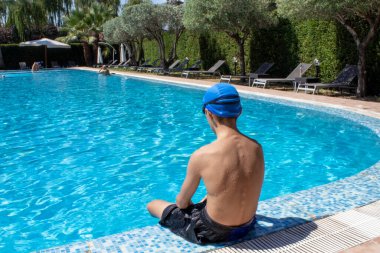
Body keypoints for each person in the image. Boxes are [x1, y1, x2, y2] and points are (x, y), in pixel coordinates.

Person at [147, 83, 265, 244]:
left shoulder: (202, 155)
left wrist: (189, 207)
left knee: (153, 205)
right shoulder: (257, 148)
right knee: (209, 196)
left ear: (209, 113)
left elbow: (182, 203)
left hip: (213, 232)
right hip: (247, 226)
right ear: (239, 111)